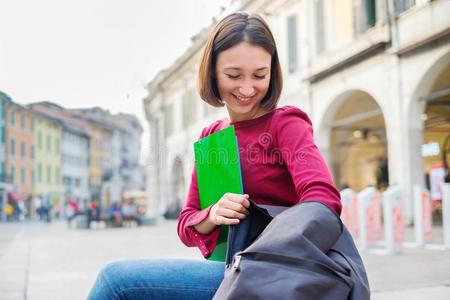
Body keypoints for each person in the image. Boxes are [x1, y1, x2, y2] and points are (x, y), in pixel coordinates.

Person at [88, 11, 341, 299]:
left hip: (279, 273)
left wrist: (273, 246)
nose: (248, 88)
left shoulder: (286, 124)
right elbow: (186, 224)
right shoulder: (212, 138)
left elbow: (324, 200)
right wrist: (214, 213)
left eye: (260, 75)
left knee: (115, 281)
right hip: (234, 269)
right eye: (234, 75)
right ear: (212, 73)